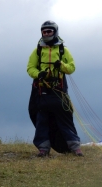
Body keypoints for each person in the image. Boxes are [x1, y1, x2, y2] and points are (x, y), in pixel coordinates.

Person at [27, 20, 83, 157]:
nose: (46, 34)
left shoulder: (63, 49)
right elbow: (30, 68)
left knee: (65, 119)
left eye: (49, 31)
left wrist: (61, 65)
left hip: (59, 91)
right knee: (42, 120)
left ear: (55, 32)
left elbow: (71, 68)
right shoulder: (38, 50)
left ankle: (75, 148)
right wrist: (39, 74)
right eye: (44, 31)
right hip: (42, 92)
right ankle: (43, 149)